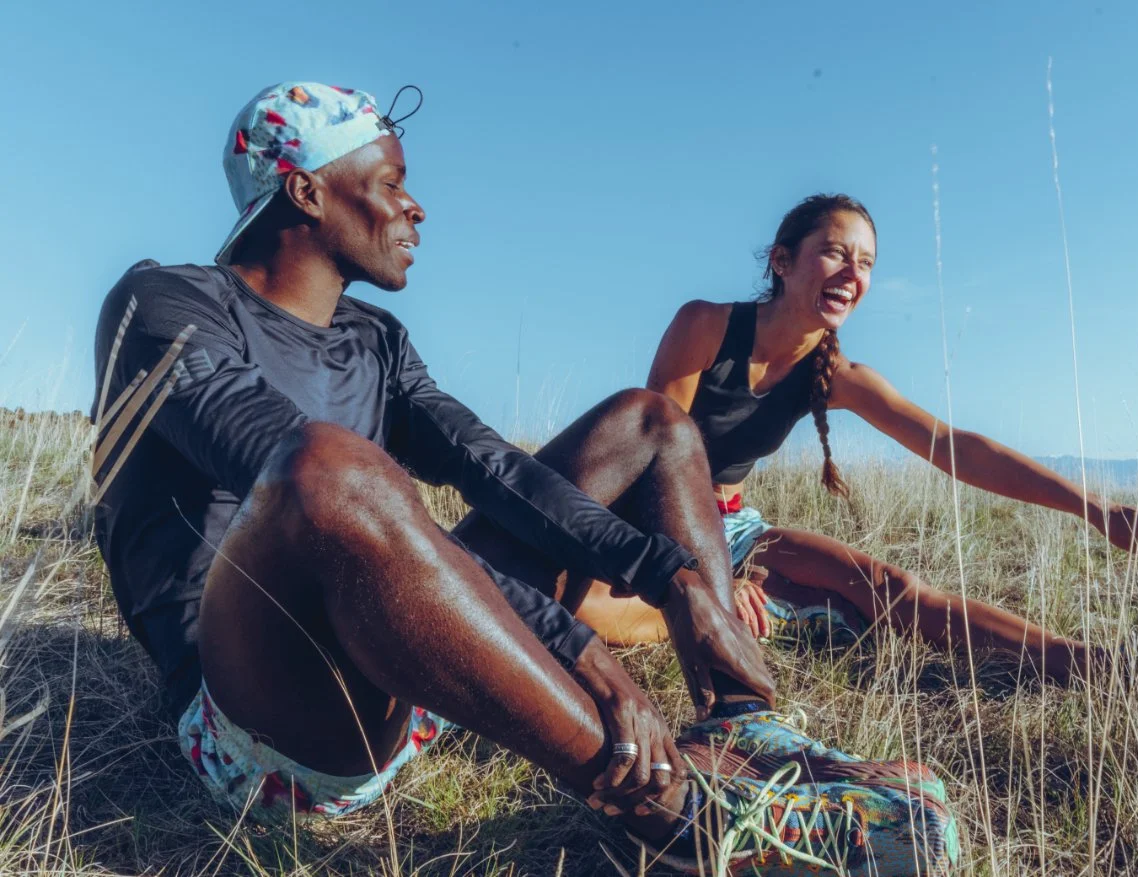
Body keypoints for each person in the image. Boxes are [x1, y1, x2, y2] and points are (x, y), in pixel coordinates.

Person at [91, 86, 957, 875]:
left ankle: (739, 721)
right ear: (305, 191)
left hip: (402, 668)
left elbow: (493, 470)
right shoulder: (163, 303)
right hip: (262, 726)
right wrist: (574, 645)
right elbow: (298, 473)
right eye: (391, 182)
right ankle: (687, 817)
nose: (414, 205)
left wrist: (673, 577)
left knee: (649, 420)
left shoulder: (375, 340)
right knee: (328, 466)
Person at [574, 193, 1138, 694]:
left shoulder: (838, 376)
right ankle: (729, 606)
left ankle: (1122, 671)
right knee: (574, 605)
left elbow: (953, 447)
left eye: (865, 264)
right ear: (781, 260)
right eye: (834, 252)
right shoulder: (704, 327)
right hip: (646, 519)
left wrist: (1097, 511)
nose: (851, 273)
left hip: (733, 527)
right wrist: (698, 574)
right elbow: (648, 462)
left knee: (889, 586)